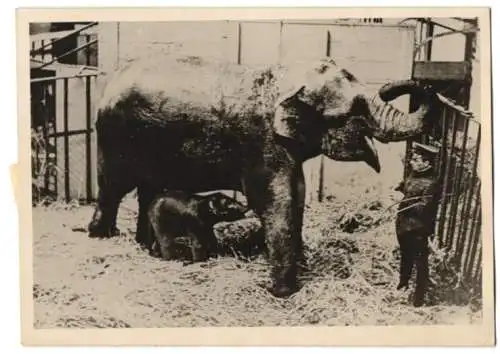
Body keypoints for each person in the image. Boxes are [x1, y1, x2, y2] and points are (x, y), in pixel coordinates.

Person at [395, 142, 440, 307]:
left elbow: (424, 207)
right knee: (405, 256)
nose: (411, 162)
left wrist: (406, 203)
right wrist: (399, 187)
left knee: (421, 263)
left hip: (417, 228)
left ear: (427, 163)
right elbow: (407, 186)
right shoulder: (413, 174)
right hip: (403, 225)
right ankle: (403, 283)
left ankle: (419, 298)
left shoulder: (432, 183)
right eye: (412, 158)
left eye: (416, 159)